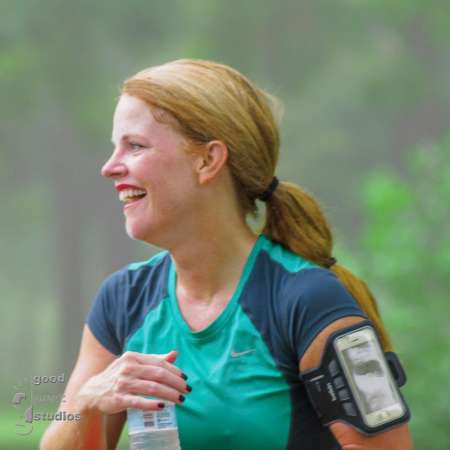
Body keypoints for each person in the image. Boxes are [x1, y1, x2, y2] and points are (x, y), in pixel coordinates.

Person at [40, 59, 412, 450]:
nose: (109, 168)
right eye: (115, 147)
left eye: (134, 146)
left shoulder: (309, 300)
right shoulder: (123, 299)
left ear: (208, 160)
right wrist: (88, 403)